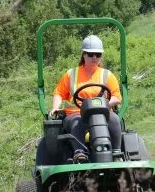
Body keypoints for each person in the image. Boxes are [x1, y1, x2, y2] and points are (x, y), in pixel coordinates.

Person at [49, 35, 123, 163]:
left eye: (98, 54)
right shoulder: (71, 74)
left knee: (115, 119)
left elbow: (117, 97)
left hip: (102, 114)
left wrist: (103, 106)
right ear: (84, 55)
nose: (94, 57)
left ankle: (116, 153)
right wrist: (55, 107)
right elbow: (59, 93)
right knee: (77, 122)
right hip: (76, 114)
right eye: (90, 54)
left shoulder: (107, 75)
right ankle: (79, 153)